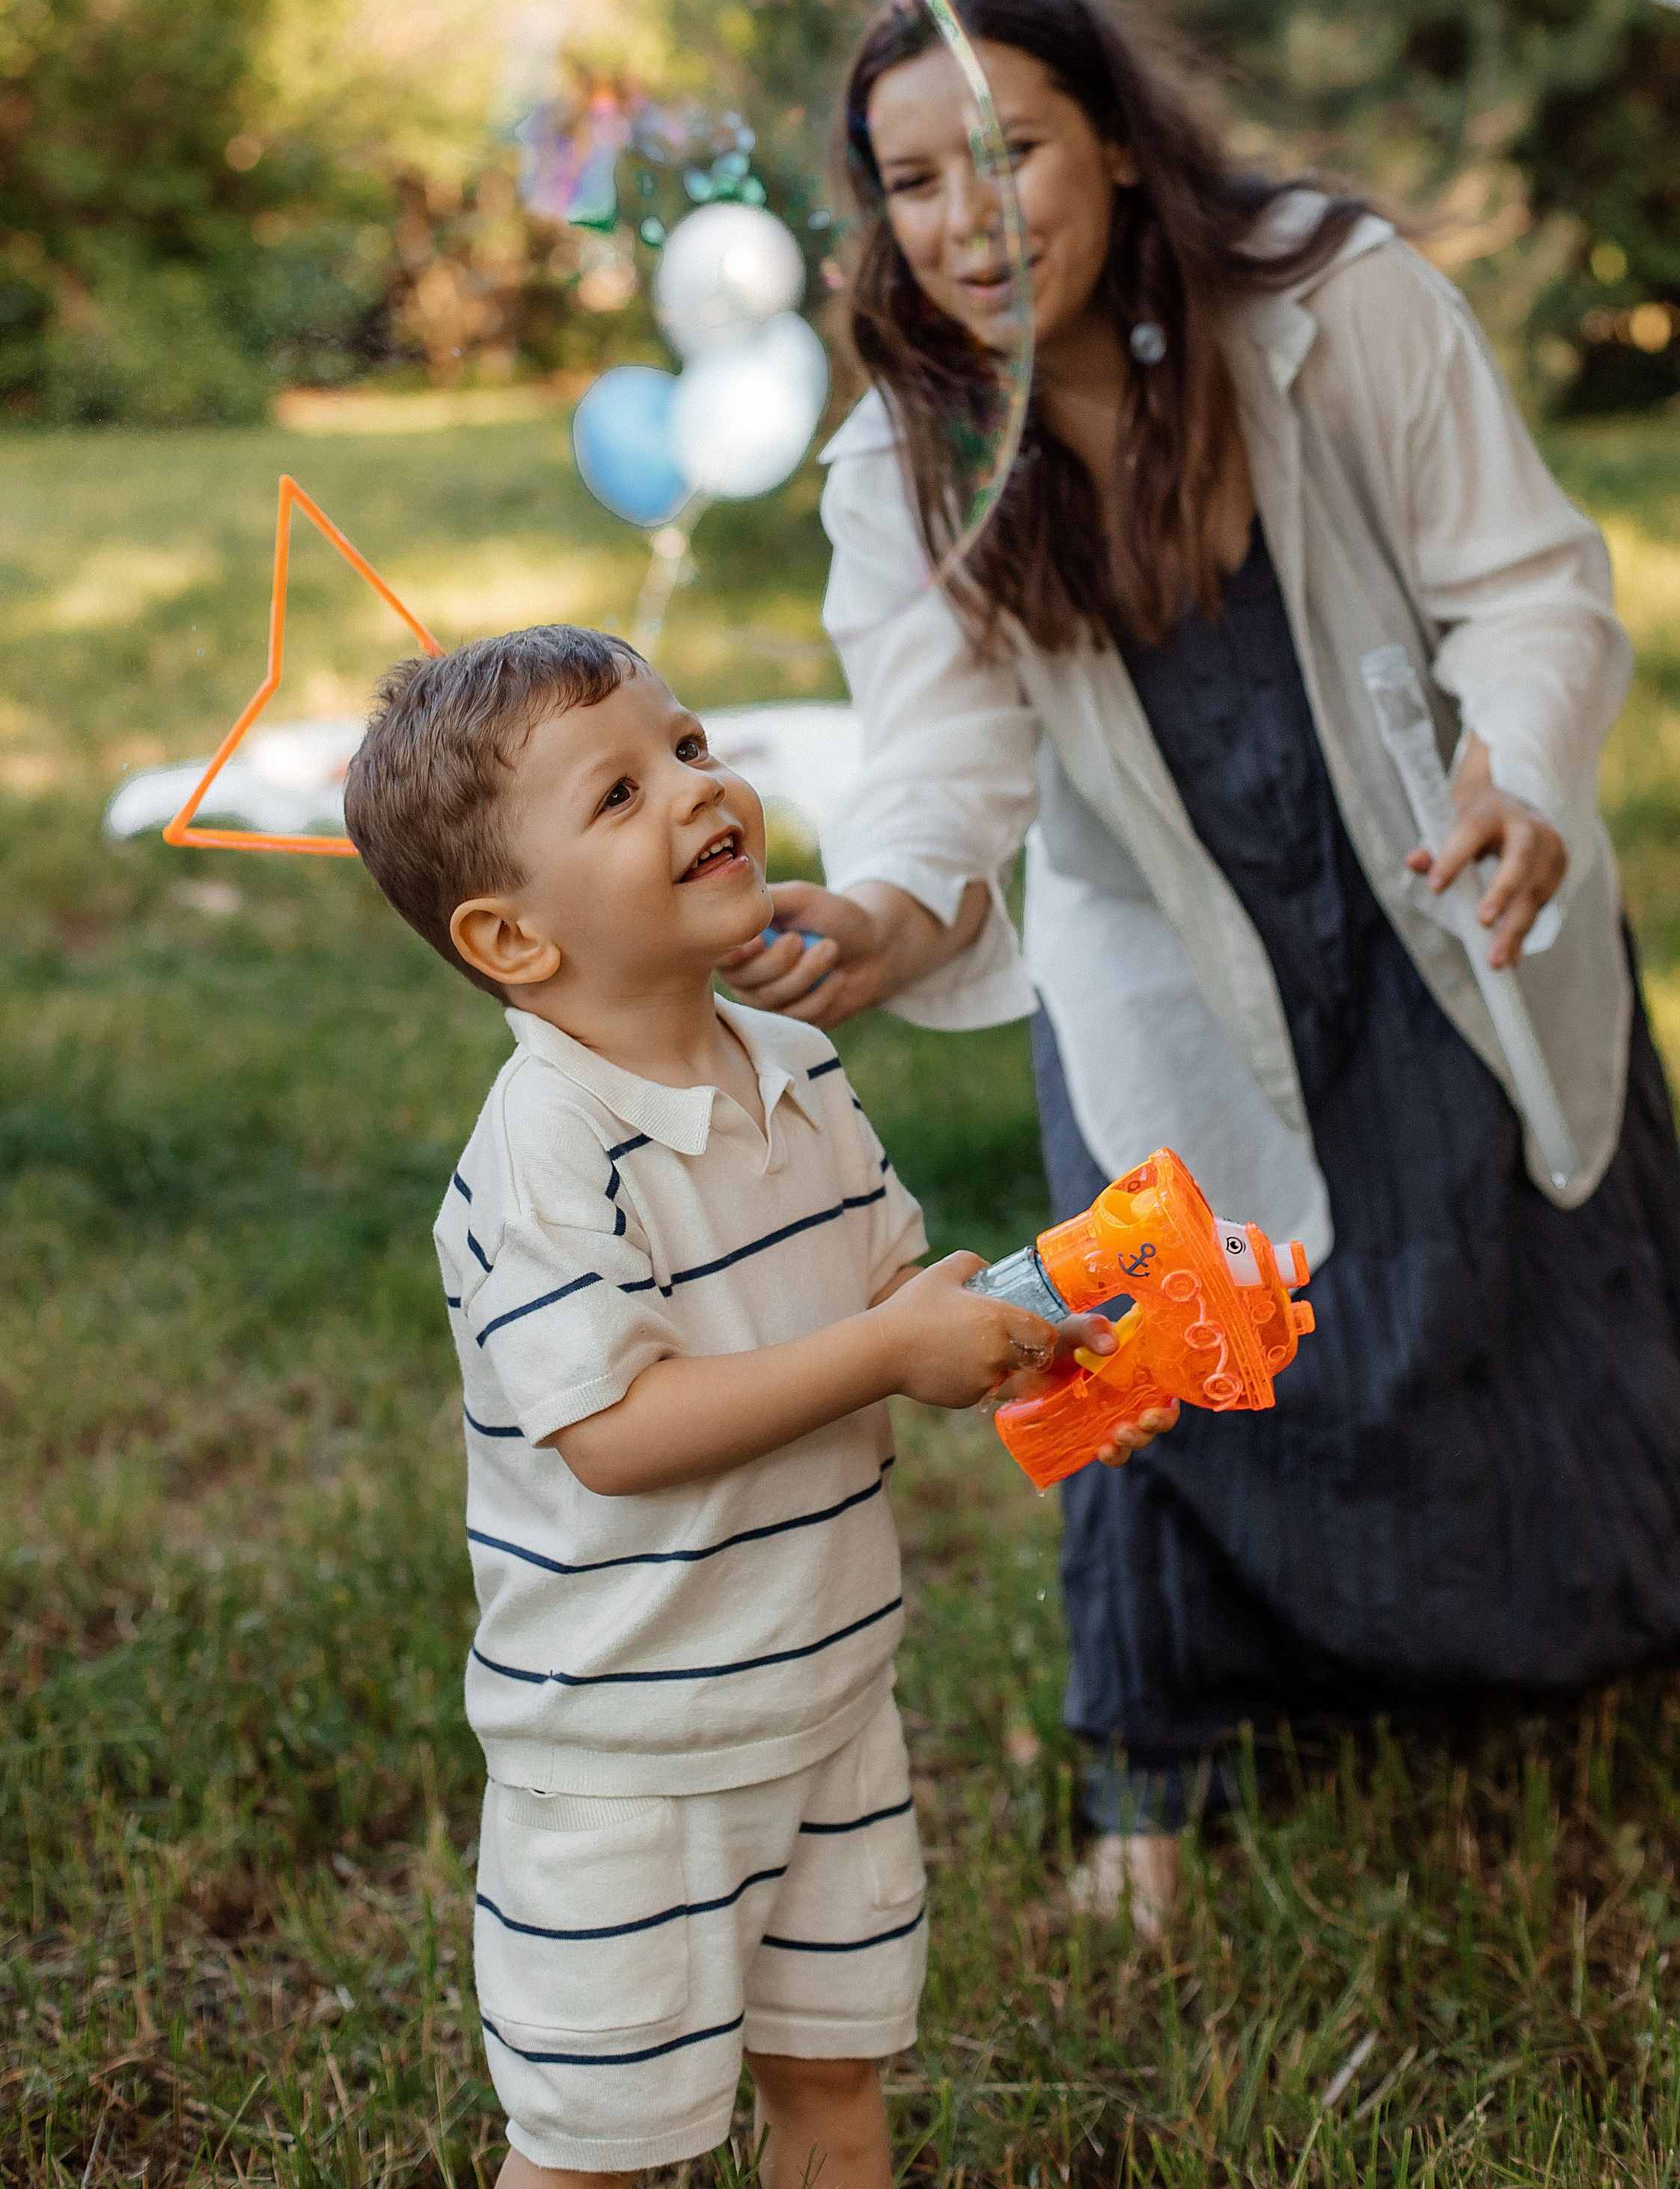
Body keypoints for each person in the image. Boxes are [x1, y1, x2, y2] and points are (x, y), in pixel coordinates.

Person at [721, 0, 1680, 1937]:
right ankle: (1150, 1780)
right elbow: (938, 759)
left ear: (1111, 135)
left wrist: (1523, 776)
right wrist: (875, 905)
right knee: (1153, 1339)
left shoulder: (1336, 301)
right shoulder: (910, 452)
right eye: (911, 182)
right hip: (1162, 949)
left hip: (1444, 889)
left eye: (1008, 151)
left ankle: (1576, 1667)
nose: (965, 221)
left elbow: (1528, 585)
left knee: (1514, 1286)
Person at [340, 624, 1162, 2188]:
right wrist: (886, 1354)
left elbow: (891, 1313)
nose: (695, 791)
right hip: (634, 1758)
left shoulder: (797, 1069)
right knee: (606, 2152)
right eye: (619, 792)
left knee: (833, 2098)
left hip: (830, 1702)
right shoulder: (545, 1158)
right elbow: (618, 1438)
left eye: (694, 748)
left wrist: (1032, 1339)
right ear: (510, 942)